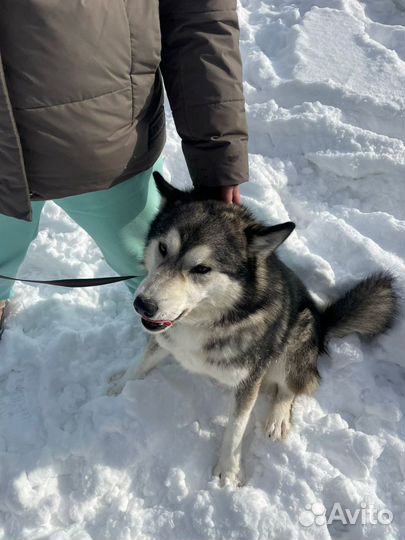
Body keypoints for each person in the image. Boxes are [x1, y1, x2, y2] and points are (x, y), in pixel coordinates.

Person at [0, 0, 249, 337]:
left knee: (151, 258)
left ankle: (189, 332)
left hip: (105, 146)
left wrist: (217, 153)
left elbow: (199, 16)